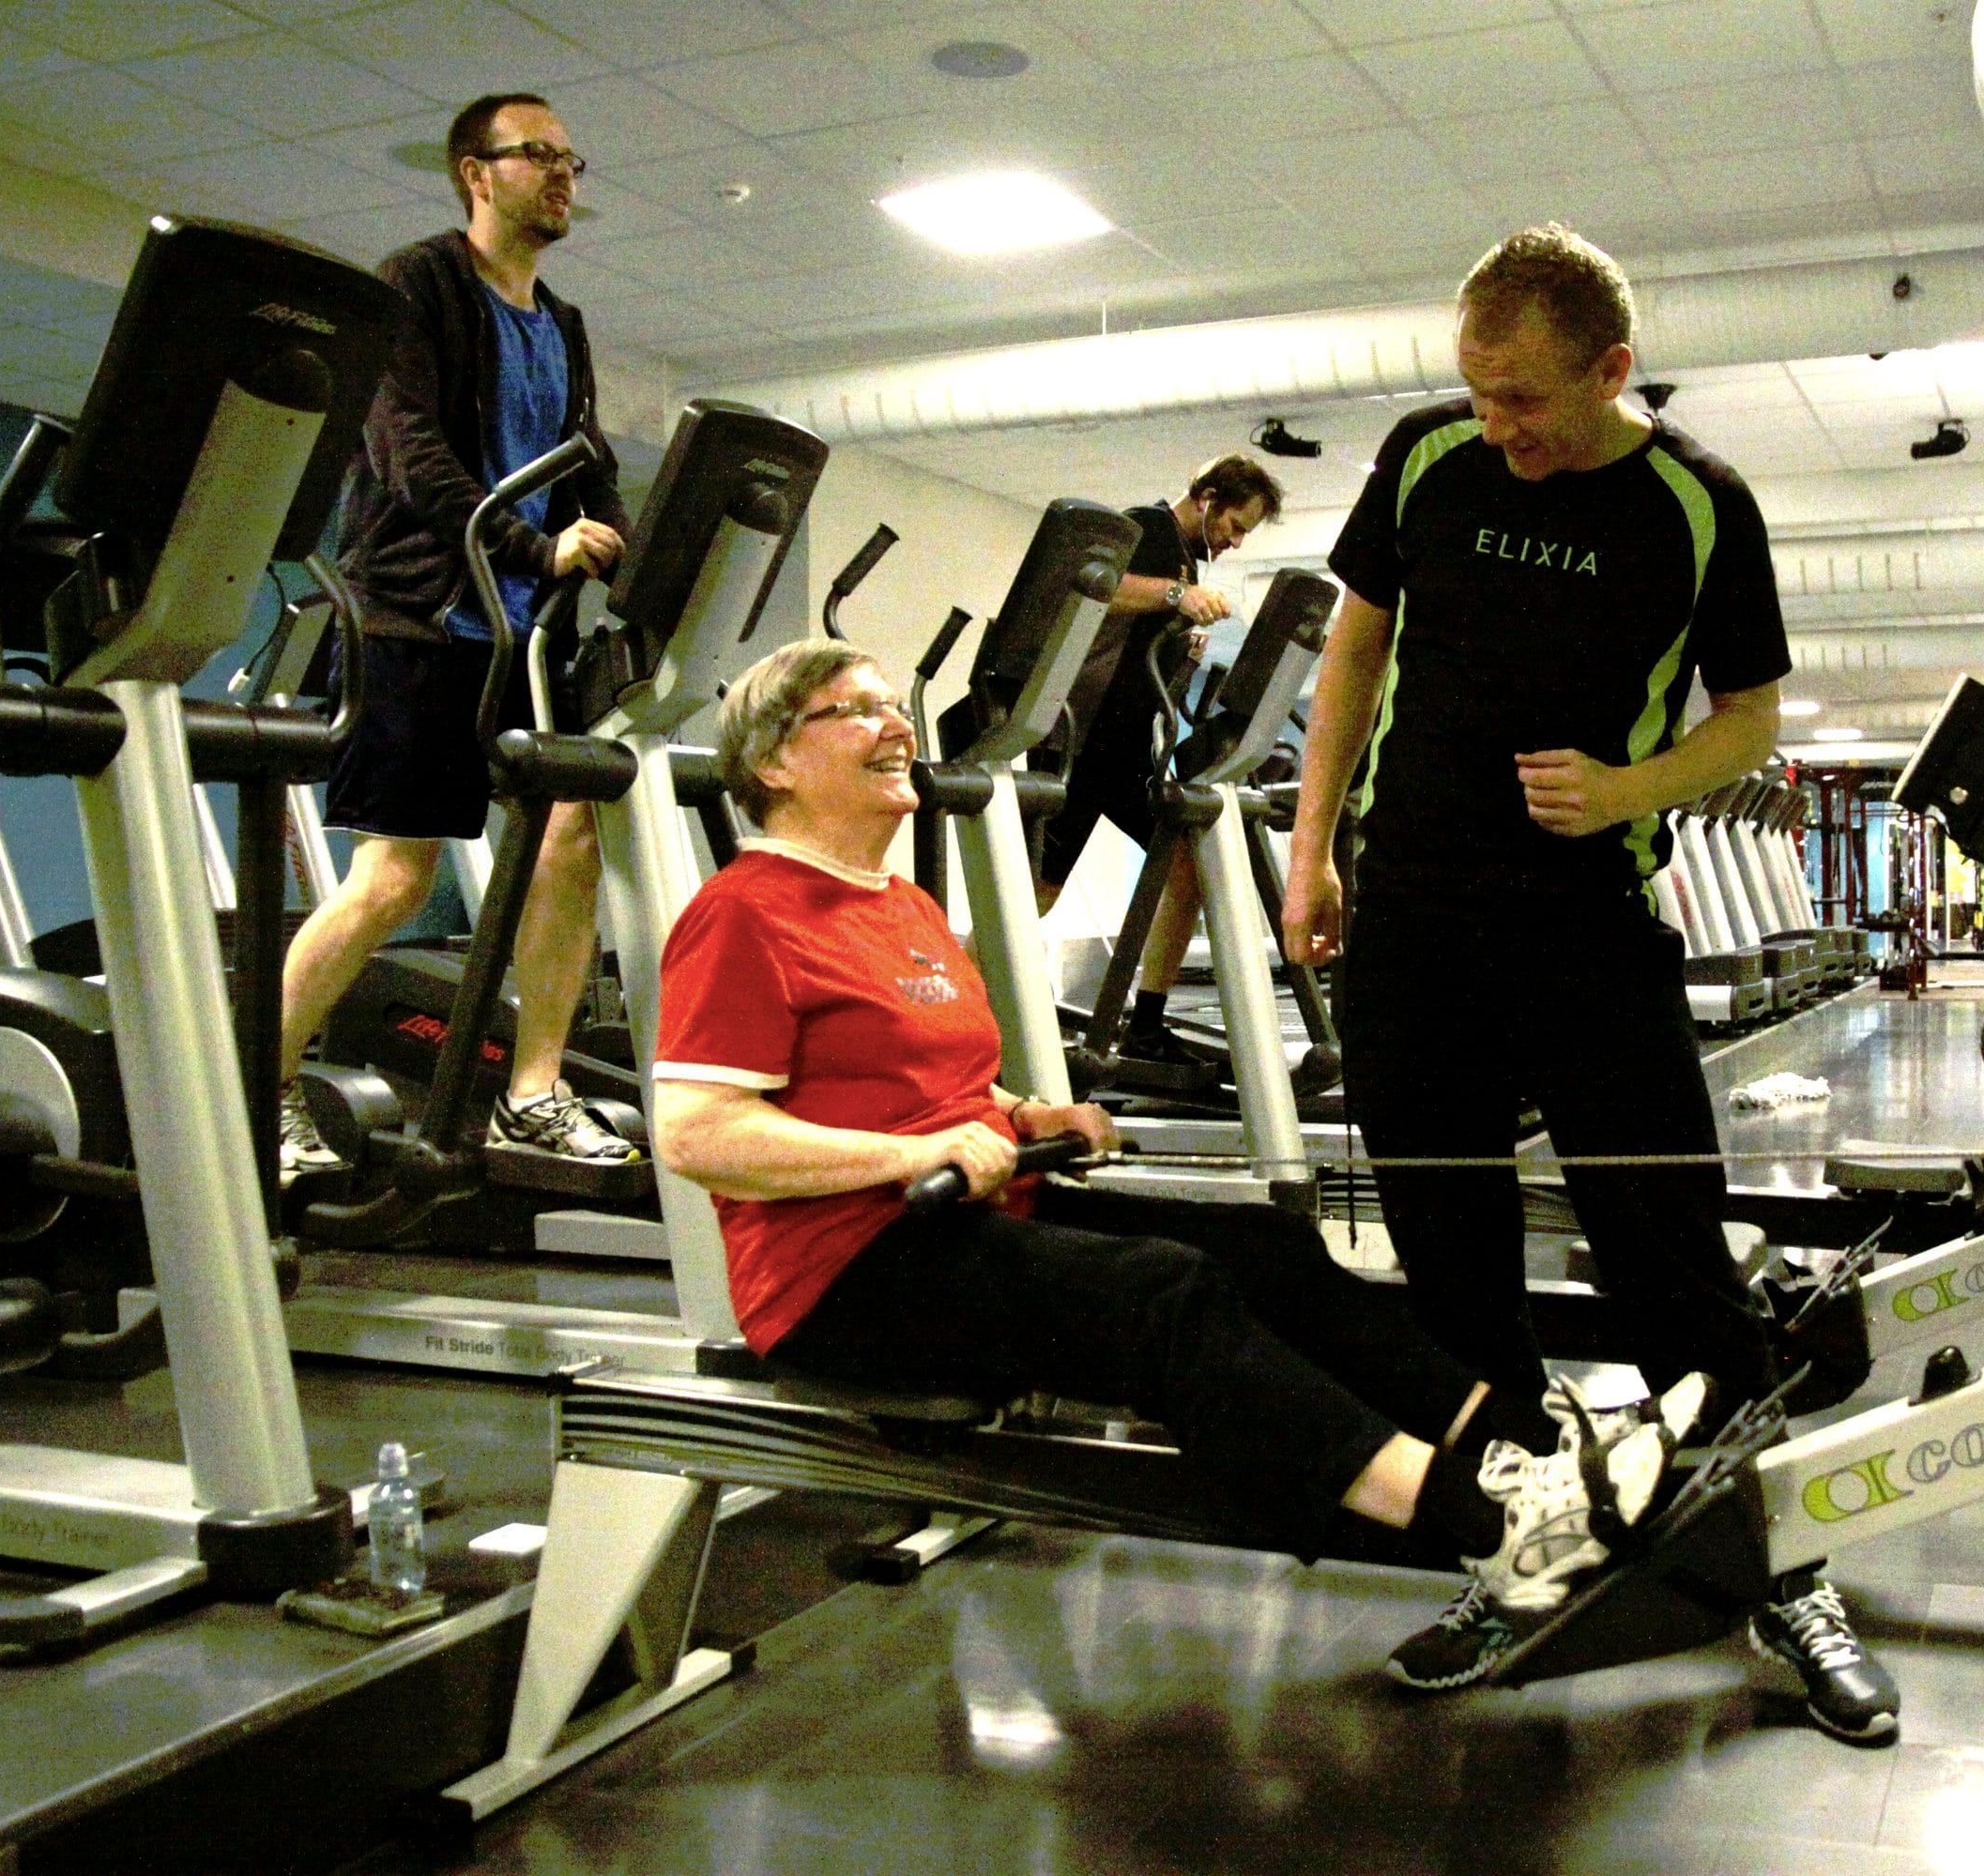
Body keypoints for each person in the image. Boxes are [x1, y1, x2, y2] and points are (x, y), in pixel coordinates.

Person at [649, 637, 1710, 1685]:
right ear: (774, 760)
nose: (896, 727)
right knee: (1160, 1295)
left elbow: (927, 1079)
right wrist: (914, 1151)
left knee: (1267, 1246)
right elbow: (698, 1133)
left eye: (894, 705)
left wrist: (1025, 1110)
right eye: (857, 710)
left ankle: (1536, 1451)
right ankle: (1494, 1531)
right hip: (839, 1277)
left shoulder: (902, 905)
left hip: (967, 1216)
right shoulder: (743, 913)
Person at [1278, 225, 1900, 1737]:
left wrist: (1626, 789)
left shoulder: (1697, 503)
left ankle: (1776, 1568)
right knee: (1451, 1270)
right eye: (1476, 393)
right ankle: (1514, 1546)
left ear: (1611, 370)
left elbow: (1747, 718)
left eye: (1523, 400)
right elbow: (1351, 655)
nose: (1496, 425)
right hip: (1412, 919)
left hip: (1585, 920)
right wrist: (1310, 851)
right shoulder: (1426, 458)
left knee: (1669, 1254)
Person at [276, 91, 638, 1178]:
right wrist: (533, 547)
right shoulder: (420, 282)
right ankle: (252, 1086)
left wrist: (629, 550)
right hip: (420, 618)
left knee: (571, 835)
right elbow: (410, 457)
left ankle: (532, 1092)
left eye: (570, 158)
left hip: (522, 637)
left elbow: (586, 459)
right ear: (476, 173)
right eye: (537, 155)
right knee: (394, 878)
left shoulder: (561, 322)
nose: (562, 173)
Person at [1036, 457, 1281, 1064]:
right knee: (1033, 893)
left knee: (1186, 867)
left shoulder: (1184, 557)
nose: (1235, 541)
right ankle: (959, 1017)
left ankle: (1145, 1024)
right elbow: (1093, 585)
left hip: (1128, 751)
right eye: (1234, 525)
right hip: (1084, 739)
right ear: (1206, 497)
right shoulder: (1146, 526)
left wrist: (1183, 650)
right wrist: (1177, 595)